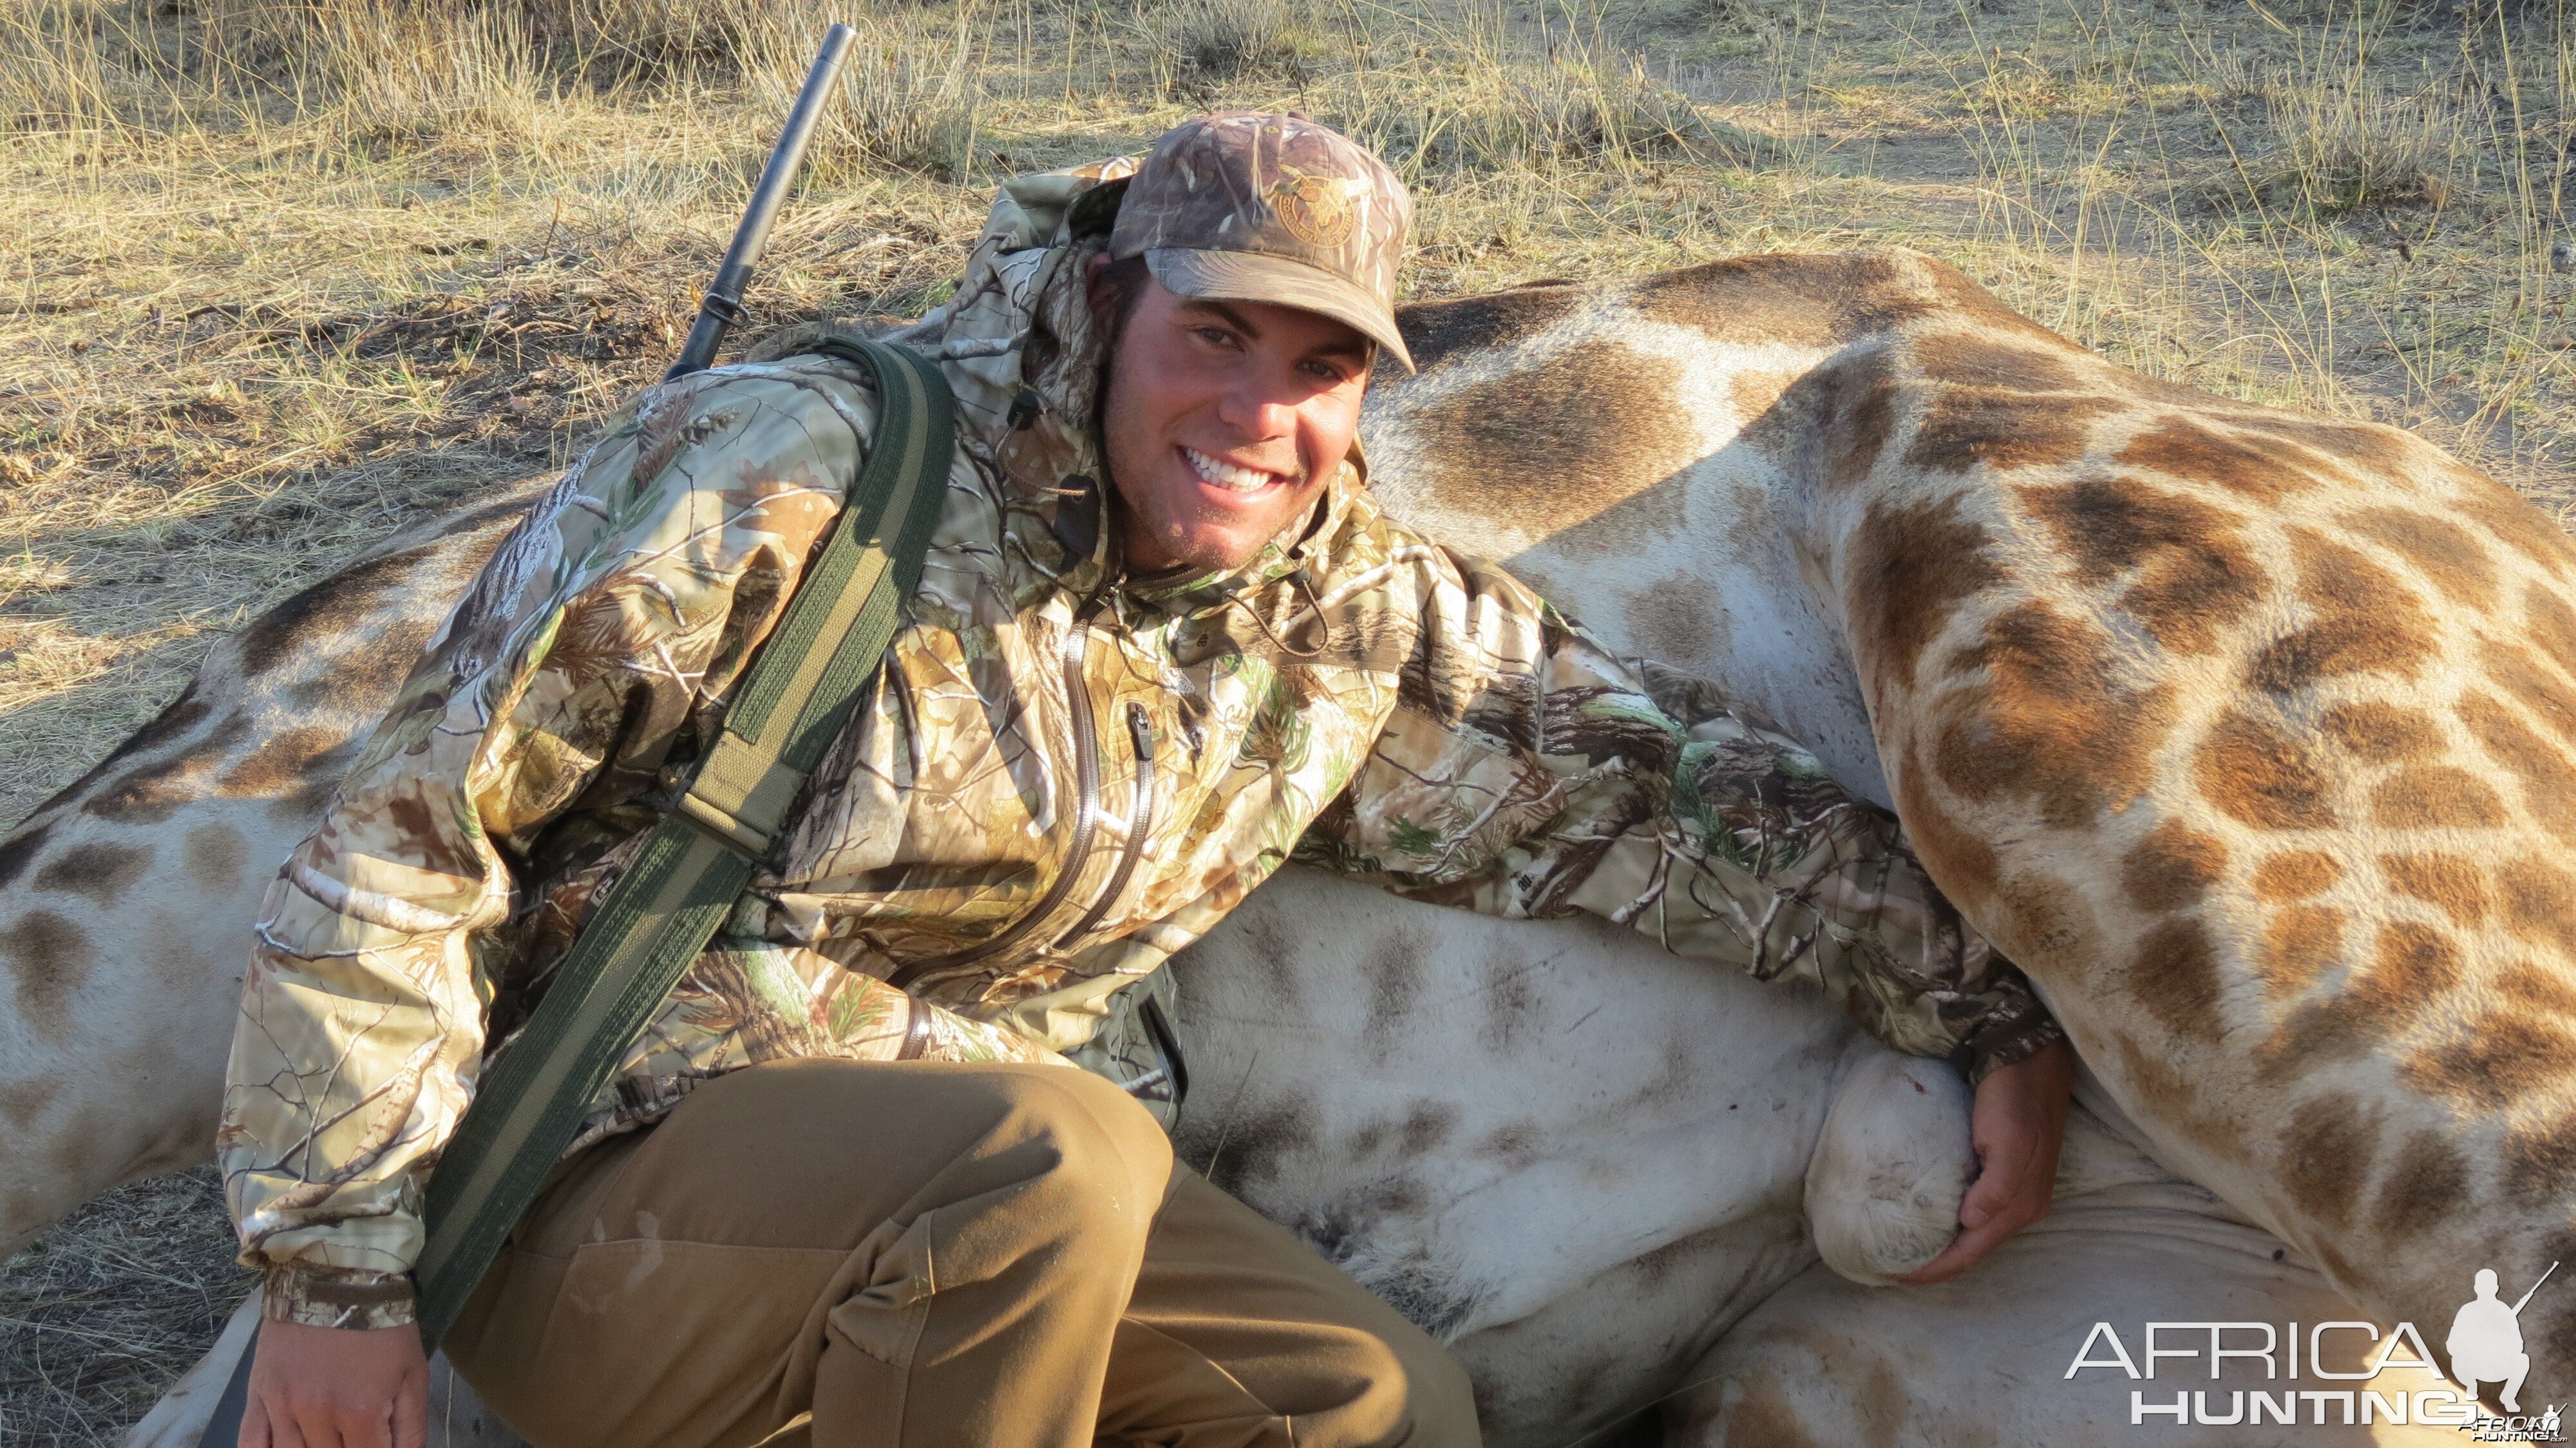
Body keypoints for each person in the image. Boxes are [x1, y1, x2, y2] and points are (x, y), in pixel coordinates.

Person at [218, 113, 2077, 1448]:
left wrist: (1985, 995)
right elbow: (405, 850)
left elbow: (1648, 799)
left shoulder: (1332, 611)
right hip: (592, 1208)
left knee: (1362, 1403)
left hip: (972, 1233)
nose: (1261, 414)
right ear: (1109, 301)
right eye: (1217, 336)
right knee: (1054, 1155)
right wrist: (332, 1290)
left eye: (1324, 362)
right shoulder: (788, 477)